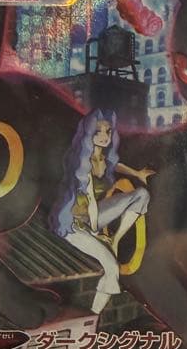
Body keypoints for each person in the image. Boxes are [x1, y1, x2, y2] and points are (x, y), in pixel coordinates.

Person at [50, 110, 153, 314]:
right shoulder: (82, 163)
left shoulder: (104, 158)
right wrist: (97, 233)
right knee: (112, 267)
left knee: (142, 195)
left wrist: (136, 173)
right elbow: (90, 202)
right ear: (89, 134)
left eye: (108, 131)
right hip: (73, 225)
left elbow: (116, 166)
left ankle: (116, 239)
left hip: (93, 216)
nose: (104, 136)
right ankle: (93, 316)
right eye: (98, 132)